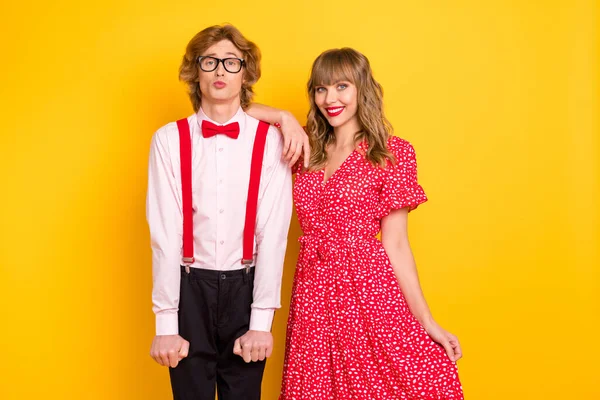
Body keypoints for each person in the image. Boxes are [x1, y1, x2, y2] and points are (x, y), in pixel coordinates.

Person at [247, 48, 464, 399]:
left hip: (368, 289)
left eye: (341, 86)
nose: (329, 99)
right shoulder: (303, 145)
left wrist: (427, 321)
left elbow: (396, 244)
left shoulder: (393, 152)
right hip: (312, 293)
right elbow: (225, 108)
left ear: (362, 89)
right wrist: (283, 117)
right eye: (320, 89)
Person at [146, 24, 294, 400]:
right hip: (188, 286)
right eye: (209, 61)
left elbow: (273, 234)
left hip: (246, 287)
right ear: (195, 70)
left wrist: (261, 322)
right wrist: (166, 321)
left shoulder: (271, 140)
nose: (220, 71)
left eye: (231, 62)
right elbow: (164, 233)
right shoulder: (168, 139)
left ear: (246, 72)